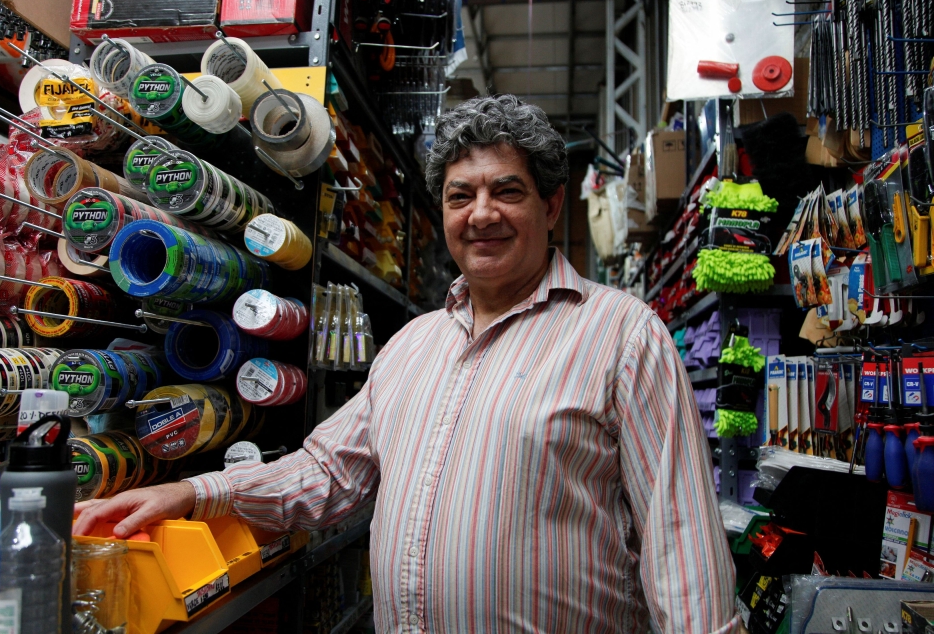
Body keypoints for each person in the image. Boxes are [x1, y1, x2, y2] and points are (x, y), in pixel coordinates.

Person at [75, 95, 739, 633]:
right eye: (460, 196)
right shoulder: (412, 346)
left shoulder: (622, 334)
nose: (482, 214)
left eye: (506, 191)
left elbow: (678, 535)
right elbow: (330, 474)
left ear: (551, 205)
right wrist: (195, 492)